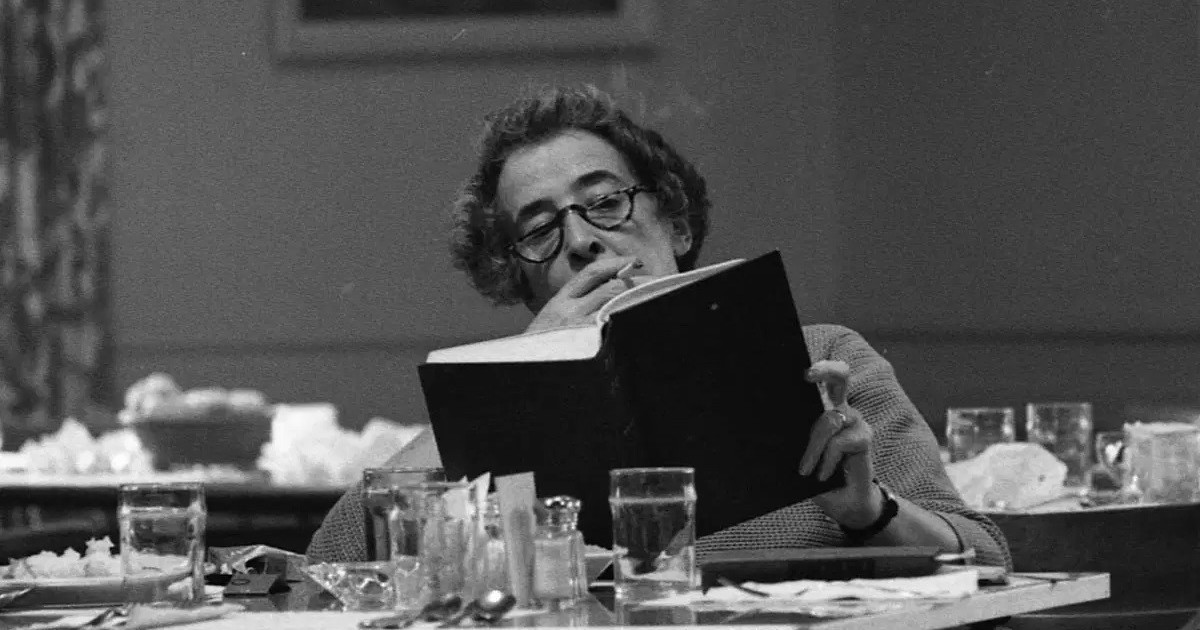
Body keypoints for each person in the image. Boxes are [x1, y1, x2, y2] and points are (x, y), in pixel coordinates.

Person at [307, 85, 1011, 569]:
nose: (581, 239)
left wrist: (869, 511)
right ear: (520, 281)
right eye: (541, 229)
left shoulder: (825, 358)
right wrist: (506, 383)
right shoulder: (498, 424)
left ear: (675, 223)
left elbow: (987, 559)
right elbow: (328, 567)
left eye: (605, 201)